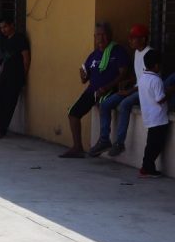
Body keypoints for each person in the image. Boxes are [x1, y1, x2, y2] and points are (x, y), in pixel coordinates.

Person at [60, 22, 130, 158]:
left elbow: (123, 74)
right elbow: (84, 79)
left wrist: (107, 87)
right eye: (98, 35)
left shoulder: (118, 51)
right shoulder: (94, 55)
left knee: (103, 104)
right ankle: (77, 147)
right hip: (92, 90)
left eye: (103, 34)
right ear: (94, 37)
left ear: (110, 35)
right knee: (73, 113)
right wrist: (82, 75)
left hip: (110, 90)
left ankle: (104, 141)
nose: (101, 38)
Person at [93, 24, 151, 157]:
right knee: (105, 104)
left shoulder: (149, 53)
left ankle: (119, 143)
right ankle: (104, 139)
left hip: (145, 91)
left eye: (134, 38)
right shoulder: (137, 52)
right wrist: (128, 82)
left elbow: (149, 82)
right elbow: (139, 77)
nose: (130, 40)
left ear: (143, 39)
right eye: (130, 38)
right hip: (136, 88)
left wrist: (129, 92)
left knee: (125, 104)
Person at [0, 18, 31, 139]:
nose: (3, 30)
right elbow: (5, 60)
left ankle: (2, 130)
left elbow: (26, 58)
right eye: (1, 28)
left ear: (12, 25)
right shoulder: (5, 41)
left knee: (9, 103)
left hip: (16, 76)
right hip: (5, 75)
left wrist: (23, 75)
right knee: (0, 101)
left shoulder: (20, 39)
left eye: (5, 27)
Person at [137, 50, 170, 178]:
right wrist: (170, 92)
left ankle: (146, 166)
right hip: (159, 118)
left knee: (151, 143)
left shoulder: (143, 78)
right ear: (156, 66)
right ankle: (148, 167)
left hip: (149, 117)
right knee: (156, 145)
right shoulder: (156, 80)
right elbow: (160, 99)